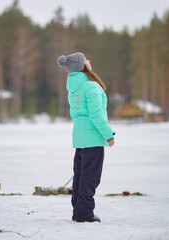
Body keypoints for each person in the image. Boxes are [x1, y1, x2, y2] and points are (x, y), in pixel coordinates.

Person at [57, 52, 115, 223]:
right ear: (81, 65)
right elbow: (97, 115)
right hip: (93, 139)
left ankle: (78, 211)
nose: (89, 61)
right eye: (86, 60)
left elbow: (75, 114)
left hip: (80, 139)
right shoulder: (91, 87)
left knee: (81, 176)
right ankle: (84, 213)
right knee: (90, 177)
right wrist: (108, 134)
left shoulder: (74, 87)